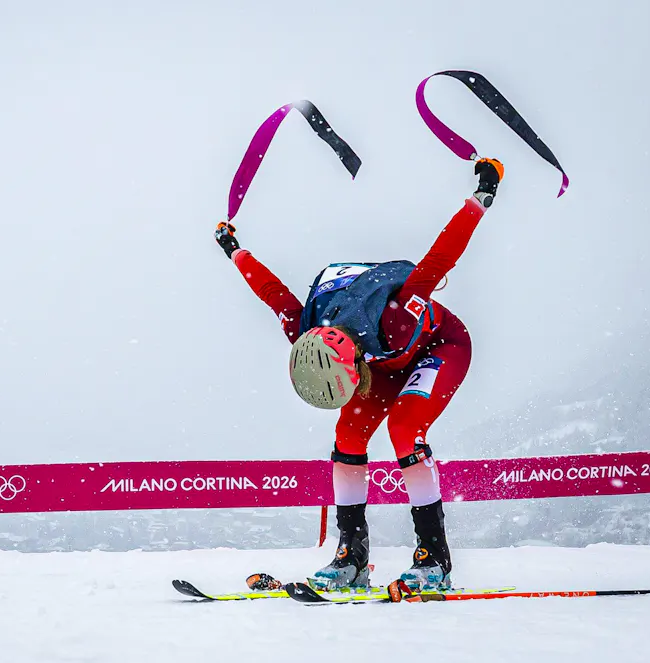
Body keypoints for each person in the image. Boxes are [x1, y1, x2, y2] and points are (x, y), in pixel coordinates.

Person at [214, 158, 504, 591]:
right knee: (348, 435)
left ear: (351, 368)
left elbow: (440, 258)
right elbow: (272, 292)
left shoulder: (396, 318)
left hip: (439, 346)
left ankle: (435, 558)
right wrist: (234, 249)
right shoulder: (305, 327)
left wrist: (483, 193)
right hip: (380, 362)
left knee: (404, 429)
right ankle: (351, 555)